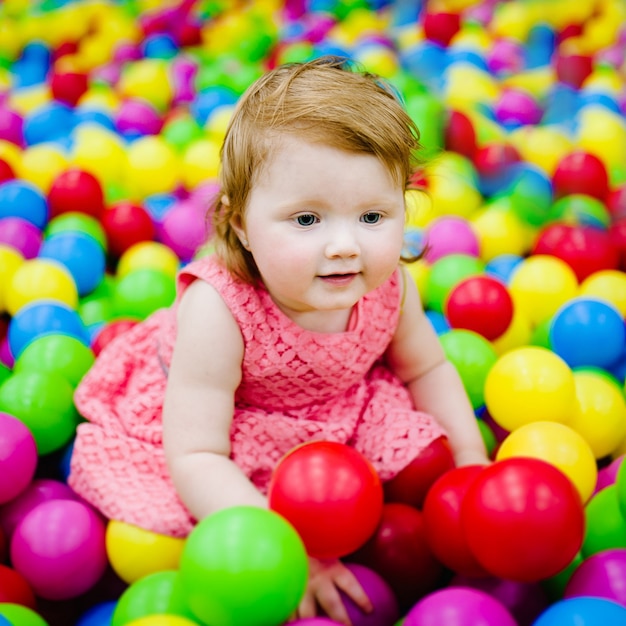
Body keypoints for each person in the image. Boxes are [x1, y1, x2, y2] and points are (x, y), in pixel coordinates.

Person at [69, 56, 489, 624]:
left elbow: (426, 370)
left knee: (428, 460)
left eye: (373, 216)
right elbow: (196, 453)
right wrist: (289, 554)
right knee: (173, 516)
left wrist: (471, 465)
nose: (345, 245)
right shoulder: (218, 313)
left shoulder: (391, 285)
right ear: (240, 222)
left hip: (341, 408)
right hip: (227, 425)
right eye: (307, 221)